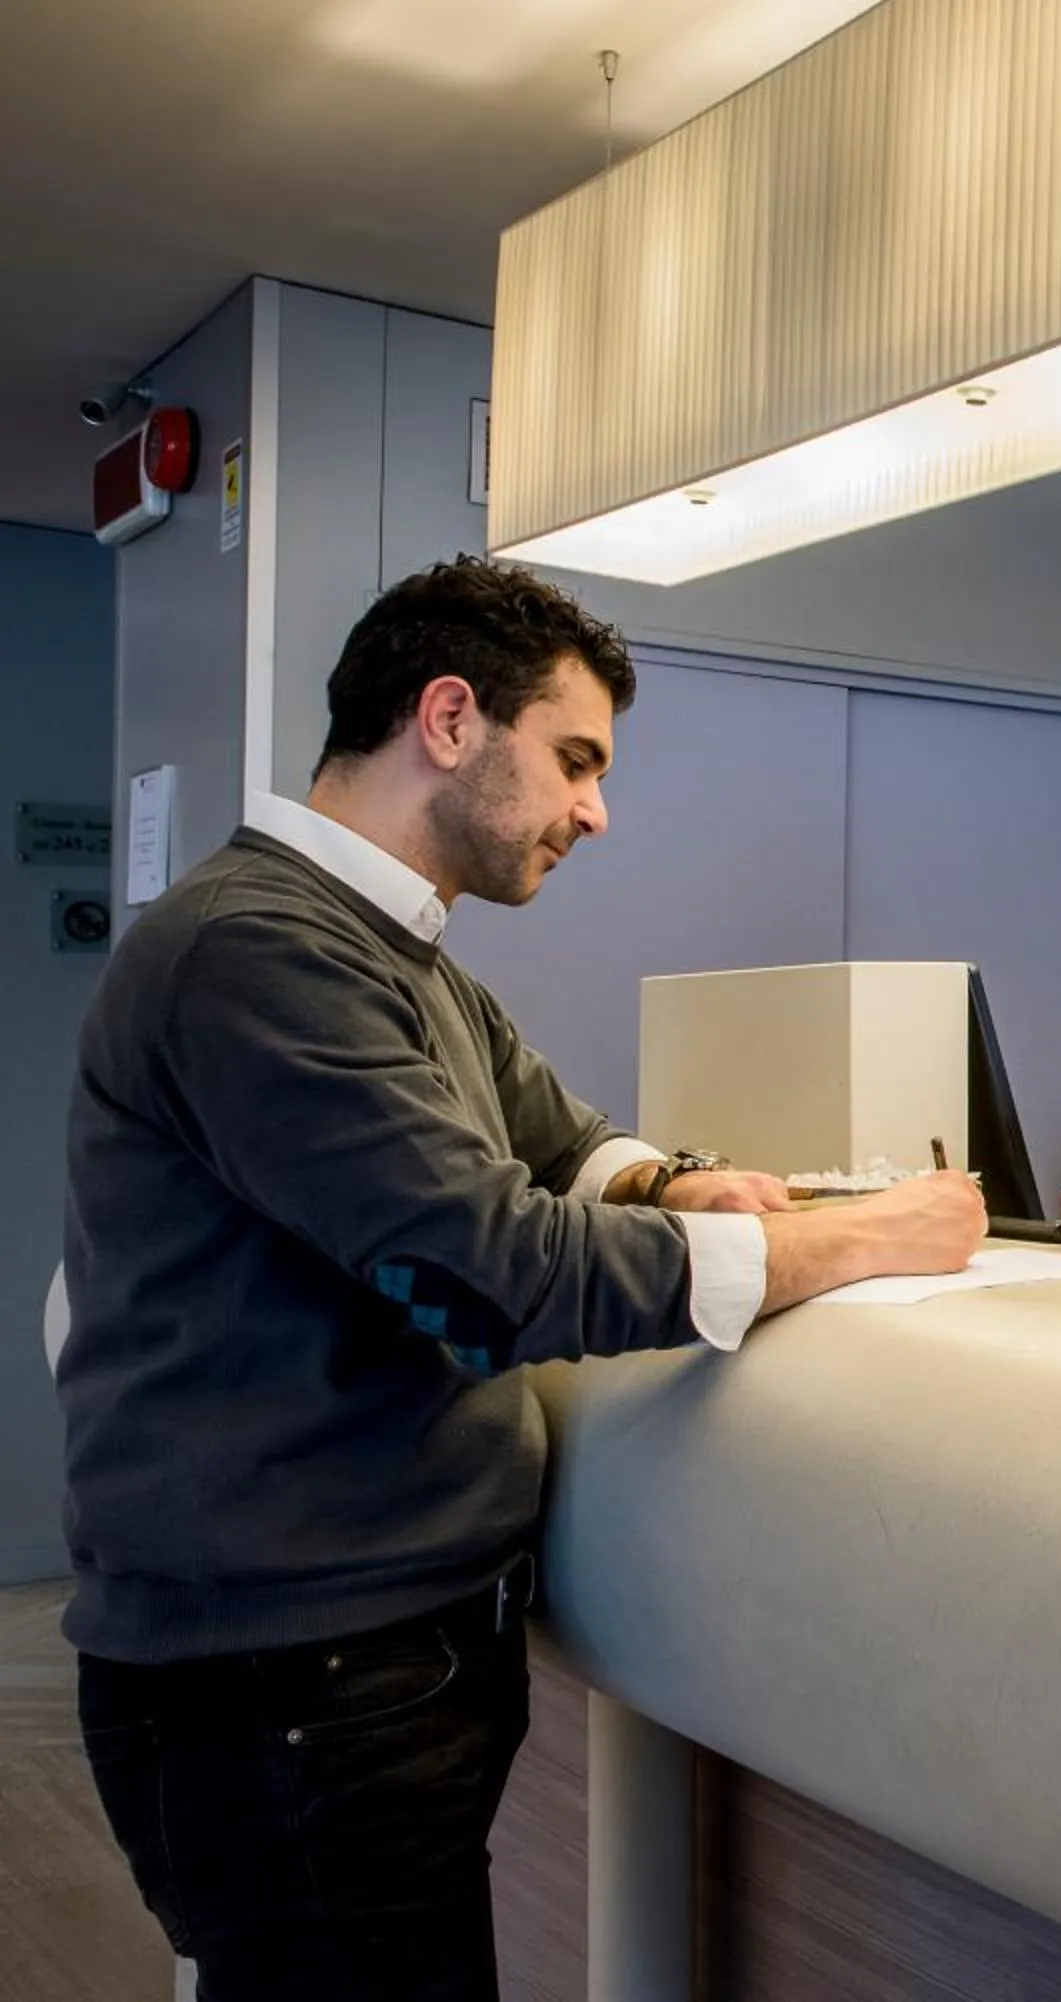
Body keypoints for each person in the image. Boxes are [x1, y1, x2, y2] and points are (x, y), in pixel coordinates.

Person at [56, 557, 988, 2000]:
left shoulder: (397, 950)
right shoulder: (257, 951)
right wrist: (855, 1239)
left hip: (362, 1669)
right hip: (290, 1687)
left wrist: (674, 1181)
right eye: (575, 760)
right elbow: (494, 1273)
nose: (595, 810)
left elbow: (551, 1133)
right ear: (446, 718)